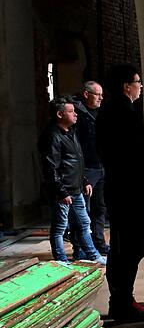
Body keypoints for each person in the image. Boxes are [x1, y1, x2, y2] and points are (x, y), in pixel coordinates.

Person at [96, 64, 144, 322]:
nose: (140, 86)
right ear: (126, 86)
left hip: (120, 188)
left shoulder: (111, 111)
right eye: (137, 81)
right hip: (129, 191)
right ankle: (122, 302)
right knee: (130, 246)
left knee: (124, 246)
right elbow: (135, 154)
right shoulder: (123, 113)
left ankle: (122, 299)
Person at [38, 96, 106, 265]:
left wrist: (84, 181)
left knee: (84, 223)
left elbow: (77, 162)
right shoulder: (53, 136)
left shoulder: (71, 133)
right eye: (71, 111)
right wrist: (61, 191)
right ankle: (61, 259)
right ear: (60, 114)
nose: (75, 114)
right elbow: (51, 167)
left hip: (75, 189)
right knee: (60, 228)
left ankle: (93, 255)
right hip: (64, 192)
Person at [74, 81, 110, 256]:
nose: (101, 98)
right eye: (97, 94)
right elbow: (77, 149)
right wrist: (82, 177)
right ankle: (81, 248)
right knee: (84, 212)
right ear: (86, 94)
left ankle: (99, 243)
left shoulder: (98, 114)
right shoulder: (78, 116)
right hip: (87, 169)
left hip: (100, 166)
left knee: (99, 208)